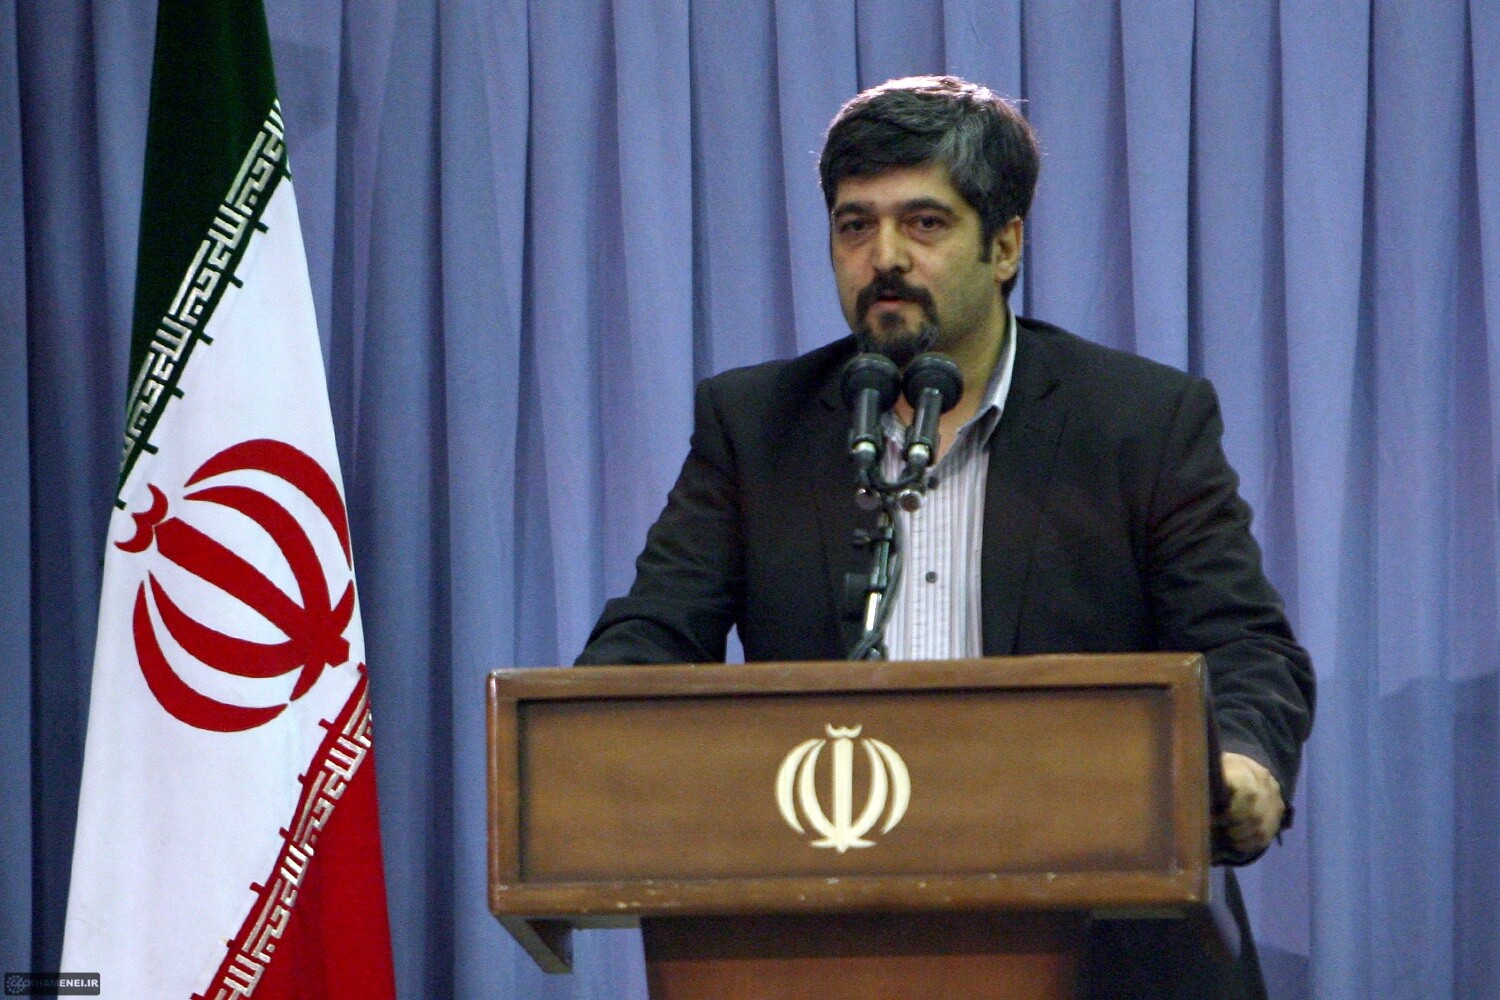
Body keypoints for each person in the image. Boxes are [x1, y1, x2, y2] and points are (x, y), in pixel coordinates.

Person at [578, 75, 1314, 999]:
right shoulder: (757, 425)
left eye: (923, 223)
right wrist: (586, 743)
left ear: (1004, 245)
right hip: (821, 948)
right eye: (855, 225)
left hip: (1103, 946)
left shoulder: (1139, 420)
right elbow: (652, 632)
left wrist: (1241, 758)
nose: (883, 257)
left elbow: (1244, 642)